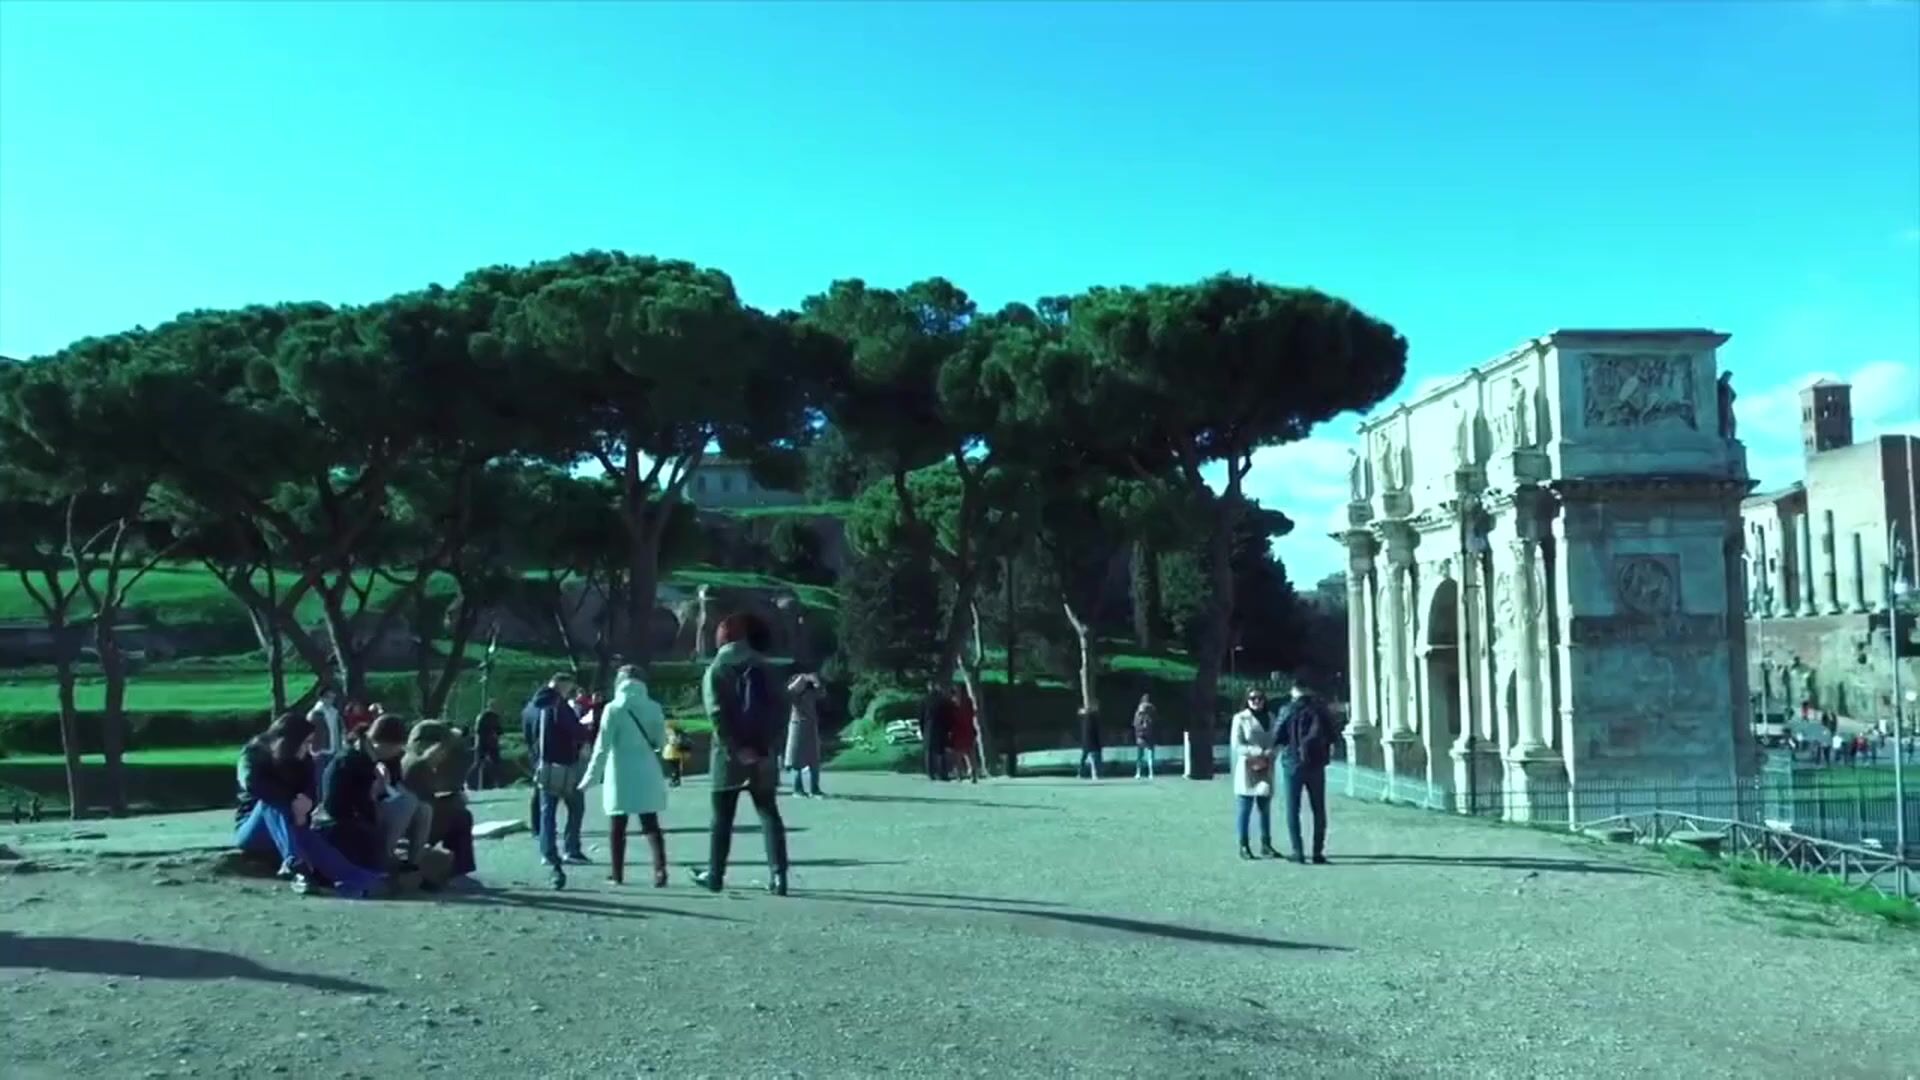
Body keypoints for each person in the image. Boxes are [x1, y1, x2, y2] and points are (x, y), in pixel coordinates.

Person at [691, 613, 791, 896]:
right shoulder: (766, 667)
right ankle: (779, 876)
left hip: (728, 757)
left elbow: (717, 715)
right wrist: (768, 745)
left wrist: (736, 748)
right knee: (769, 813)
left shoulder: (717, 669)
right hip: (763, 752)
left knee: (722, 818)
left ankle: (715, 875)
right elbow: (782, 709)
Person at [235, 712, 382, 898]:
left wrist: (305, 806)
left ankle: (356, 878)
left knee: (306, 836)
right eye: (305, 742)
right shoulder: (253, 754)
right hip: (254, 829)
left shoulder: (304, 761)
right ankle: (295, 864)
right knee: (271, 803)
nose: (309, 747)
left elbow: (311, 791)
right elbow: (251, 783)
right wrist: (292, 802)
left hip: (291, 823)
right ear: (290, 742)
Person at [580, 665, 672, 887]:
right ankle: (660, 871)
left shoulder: (613, 708)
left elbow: (602, 747)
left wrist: (590, 777)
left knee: (618, 825)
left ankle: (617, 873)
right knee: (651, 823)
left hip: (620, 770)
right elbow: (661, 741)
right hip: (647, 768)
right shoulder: (653, 707)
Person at [523, 671, 589, 889]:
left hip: (542, 765)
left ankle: (548, 852)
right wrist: (586, 731)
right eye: (569, 687)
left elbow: (528, 736)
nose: (570, 691)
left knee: (547, 812)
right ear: (562, 685)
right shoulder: (559, 706)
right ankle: (571, 849)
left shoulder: (530, 708)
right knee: (576, 806)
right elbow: (575, 731)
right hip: (565, 764)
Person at [401, 720, 478, 885]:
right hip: (412, 826)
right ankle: (458, 869)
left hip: (409, 821)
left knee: (456, 810)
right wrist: (453, 801)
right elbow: (425, 805)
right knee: (462, 817)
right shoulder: (420, 765)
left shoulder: (409, 760)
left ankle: (455, 867)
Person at [1273, 680, 1337, 865]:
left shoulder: (1287, 709)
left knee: (1293, 809)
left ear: (1294, 691)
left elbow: (1276, 735)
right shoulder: (1320, 709)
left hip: (1292, 763)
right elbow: (1332, 734)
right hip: (1316, 764)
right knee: (1319, 809)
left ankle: (1298, 851)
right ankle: (1318, 852)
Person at [367, 714, 432, 870]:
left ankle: (414, 862)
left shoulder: (393, 758)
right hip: (365, 805)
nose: (397, 751)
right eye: (395, 747)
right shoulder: (360, 755)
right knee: (406, 804)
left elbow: (395, 782)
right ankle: (385, 855)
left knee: (424, 809)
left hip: (385, 798)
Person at [1229, 689, 1279, 860]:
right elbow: (1237, 744)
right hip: (1248, 766)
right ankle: (1244, 845)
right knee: (1245, 808)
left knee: (1265, 808)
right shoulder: (1240, 718)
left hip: (1267, 765)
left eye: (1260, 698)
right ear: (1247, 700)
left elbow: (1277, 739)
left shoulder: (1271, 717)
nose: (1256, 701)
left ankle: (1266, 844)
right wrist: (1255, 751)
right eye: (1252, 698)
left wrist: (1273, 751)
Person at [785, 673, 826, 797]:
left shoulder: (810, 693)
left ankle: (815, 789)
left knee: (814, 759)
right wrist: (801, 679)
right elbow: (788, 692)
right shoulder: (793, 695)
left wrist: (815, 681)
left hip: (811, 726)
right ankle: (798, 789)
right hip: (797, 726)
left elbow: (822, 693)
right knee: (797, 759)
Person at [919, 680, 952, 782]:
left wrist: (922, 729)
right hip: (938, 727)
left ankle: (933, 772)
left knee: (932, 750)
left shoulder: (926, 700)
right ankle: (941, 773)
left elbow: (921, 717)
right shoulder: (941, 699)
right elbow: (948, 715)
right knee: (939, 750)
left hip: (931, 727)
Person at [949, 683, 980, 783]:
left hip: (959, 730)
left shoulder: (953, 703)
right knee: (969, 753)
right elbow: (973, 713)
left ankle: (960, 774)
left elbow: (951, 717)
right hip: (966, 729)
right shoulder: (967, 701)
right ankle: (972, 773)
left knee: (960, 753)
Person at [470, 707, 503, 790]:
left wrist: (496, 734)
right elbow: (477, 730)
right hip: (482, 743)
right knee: (478, 764)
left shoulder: (495, 717)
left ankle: (498, 784)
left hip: (492, 744)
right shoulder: (482, 717)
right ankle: (470, 783)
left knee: (496, 764)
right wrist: (489, 733)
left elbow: (499, 730)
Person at [1132, 693, 1158, 780]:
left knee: (1141, 755)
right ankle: (1149, 773)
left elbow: (1135, 724)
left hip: (1142, 735)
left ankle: (1139, 773)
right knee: (1148, 755)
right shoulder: (1151, 710)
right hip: (1147, 735)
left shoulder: (1139, 712)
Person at [1077, 706, 1104, 781]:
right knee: (1088, 760)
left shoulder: (1090, 720)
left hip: (1090, 743)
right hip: (1088, 743)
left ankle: (1093, 774)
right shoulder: (1086, 719)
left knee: (1091, 760)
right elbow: (1080, 712)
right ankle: (1086, 774)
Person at [662, 721, 690, 787]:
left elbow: (673, 742)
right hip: (674, 753)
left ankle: (675, 780)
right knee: (675, 768)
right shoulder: (677, 733)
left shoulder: (672, 733)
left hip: (671, 753)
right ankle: (676, 780)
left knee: (674, 768)